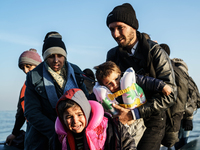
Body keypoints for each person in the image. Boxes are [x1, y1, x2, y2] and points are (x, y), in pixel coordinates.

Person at [106, 3, 177, 150]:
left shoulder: (155, 52)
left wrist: (135, 113)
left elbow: (171, 95)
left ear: (133, 26)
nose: (115, 34)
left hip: (153, 118)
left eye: (120, 28)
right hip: (124, 119)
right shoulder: (112, 55)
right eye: (112, 29)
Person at [24, 32, 89, 150]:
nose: (55, 60)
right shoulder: (33, 76)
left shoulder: (76, 72)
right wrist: (58, 132)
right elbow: (31, 112)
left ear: (65, 56)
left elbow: (87, 101)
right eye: (50, 56)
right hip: (44, 139)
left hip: (76, 134)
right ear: (44, 57)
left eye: (59, 55)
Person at [93, 61, 172, 146]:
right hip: (120, 125)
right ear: (103, 86)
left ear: (120, 73)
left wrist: (162, 86)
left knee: (135, 144)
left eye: (116, 79)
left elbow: (147, 81)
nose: (115, 84)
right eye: (109, 83)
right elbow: (91, 101)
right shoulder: (102, 93)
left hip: (137, 121)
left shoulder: (130, 79)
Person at [50, 88, 127, 150]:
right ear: (62, 119)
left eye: (79, 114)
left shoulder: (111, 127)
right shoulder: (58, 139)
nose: (75, 121)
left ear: (87, 113)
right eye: (69, 117)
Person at [160, 43, 199, 149]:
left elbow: (186, 96)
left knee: (176, 142)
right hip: (180, 113)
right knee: (179, 142)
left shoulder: (174, 71)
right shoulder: (178, 69)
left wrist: (188, 118)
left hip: (180, 114)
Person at [5, 49, 42, 149]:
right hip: (32, 130)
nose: (25, 71)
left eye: (28, 66)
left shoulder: (51, 82)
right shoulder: (26, 87)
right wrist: (14, 133)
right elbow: (21, 112)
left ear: (38, 64)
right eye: (23, 68)